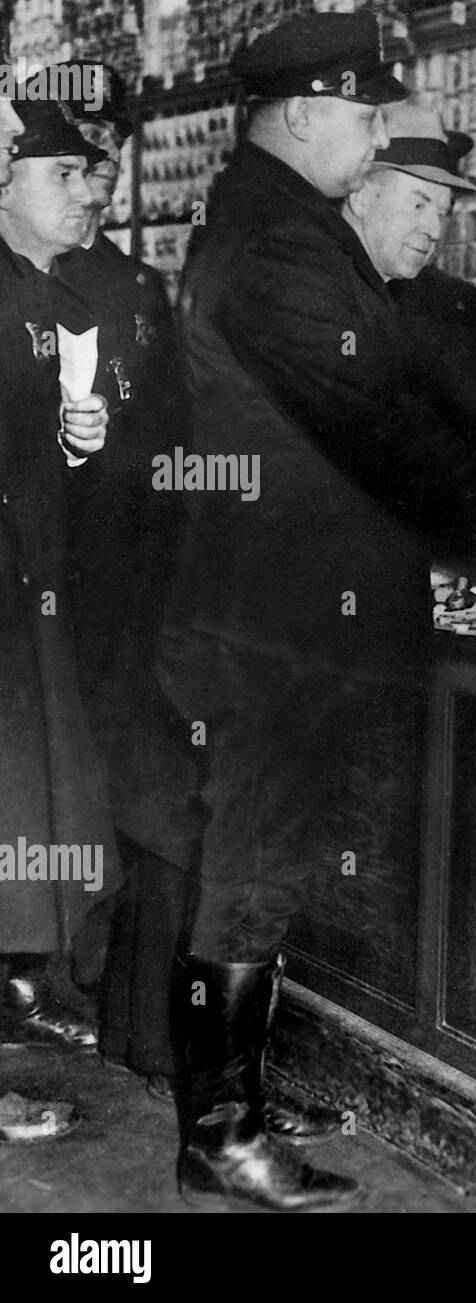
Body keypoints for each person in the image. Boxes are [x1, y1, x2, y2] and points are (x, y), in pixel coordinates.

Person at [159, 13, 476, 1213]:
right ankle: (219, 1135)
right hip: (272, 619)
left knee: (262, 866)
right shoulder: (272, 245)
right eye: (367, 119)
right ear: (303, 113)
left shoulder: (287, 228)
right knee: (248, 874)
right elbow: (370, 415)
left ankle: (242, 1093)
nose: (377, 147)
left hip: (286, 611)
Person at [48, 63, 205, 1098]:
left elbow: (176, 441)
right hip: (36, 600)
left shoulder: (137, 290)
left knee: (155, 806)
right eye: (76, 157)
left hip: (129, 596)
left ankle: (138, 1024)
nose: (100, 177)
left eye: (111, 156)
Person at [0, 96, 120, 1053]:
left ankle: (19, 978)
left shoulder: (75, 298)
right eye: (63, 175)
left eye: (91, 175)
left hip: (41, 578)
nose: (88, 195)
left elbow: (72, 441)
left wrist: (85, 441)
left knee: (38, 782)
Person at [380, 104, 476, 444]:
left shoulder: (463, 302)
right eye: (418, 204)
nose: (433, 229)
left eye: (444, 211)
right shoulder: (324, 287)